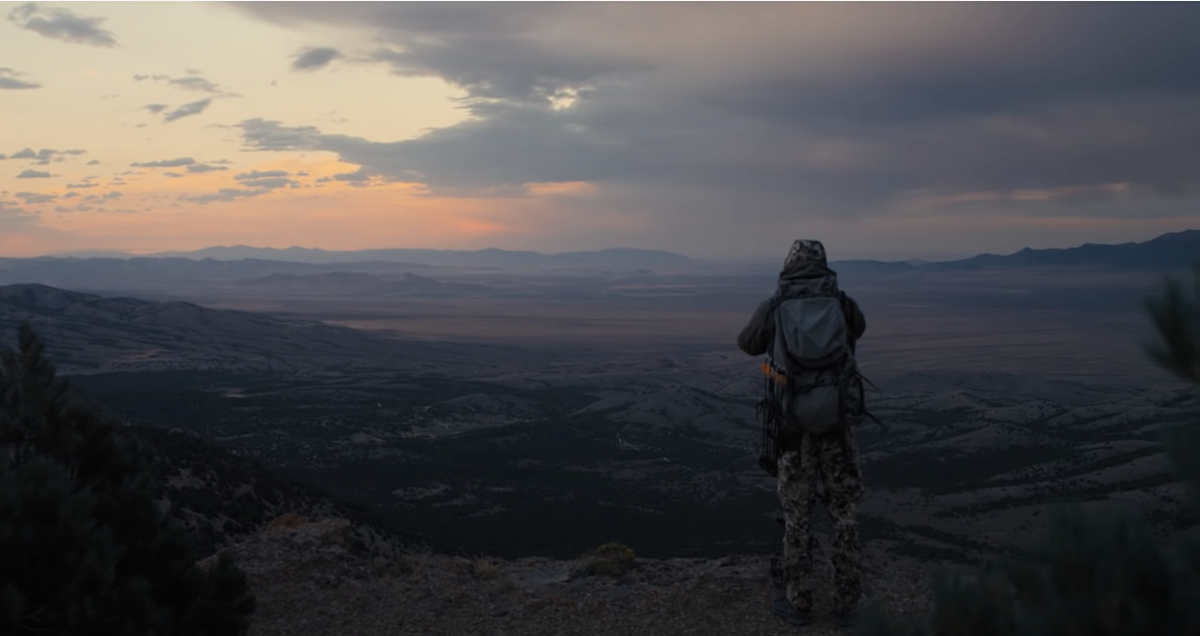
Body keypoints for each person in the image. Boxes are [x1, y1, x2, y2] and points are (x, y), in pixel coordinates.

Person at [736, 239, 867, 627]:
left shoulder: (775, 306)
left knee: (797, 516)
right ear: (824, 266)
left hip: (793, 431)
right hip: (838, 428)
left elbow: (747, 344)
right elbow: (859, 331)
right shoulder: (842, 304)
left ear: (788, 266)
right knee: (845, 516)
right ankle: (847, 603)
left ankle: (800, 603)